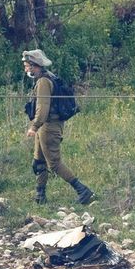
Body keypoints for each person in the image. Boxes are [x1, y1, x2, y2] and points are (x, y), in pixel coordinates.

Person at [22, 49, 93, 206]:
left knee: (54, 163)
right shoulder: (47, 78)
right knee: (38, 162)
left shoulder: (43, 83)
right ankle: (40, 197)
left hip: (49, 127)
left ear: (35, 66)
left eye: (27, 66)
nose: (26, 69)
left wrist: (34, 127)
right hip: (45, 126)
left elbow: (43, 108)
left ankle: (83, 190)